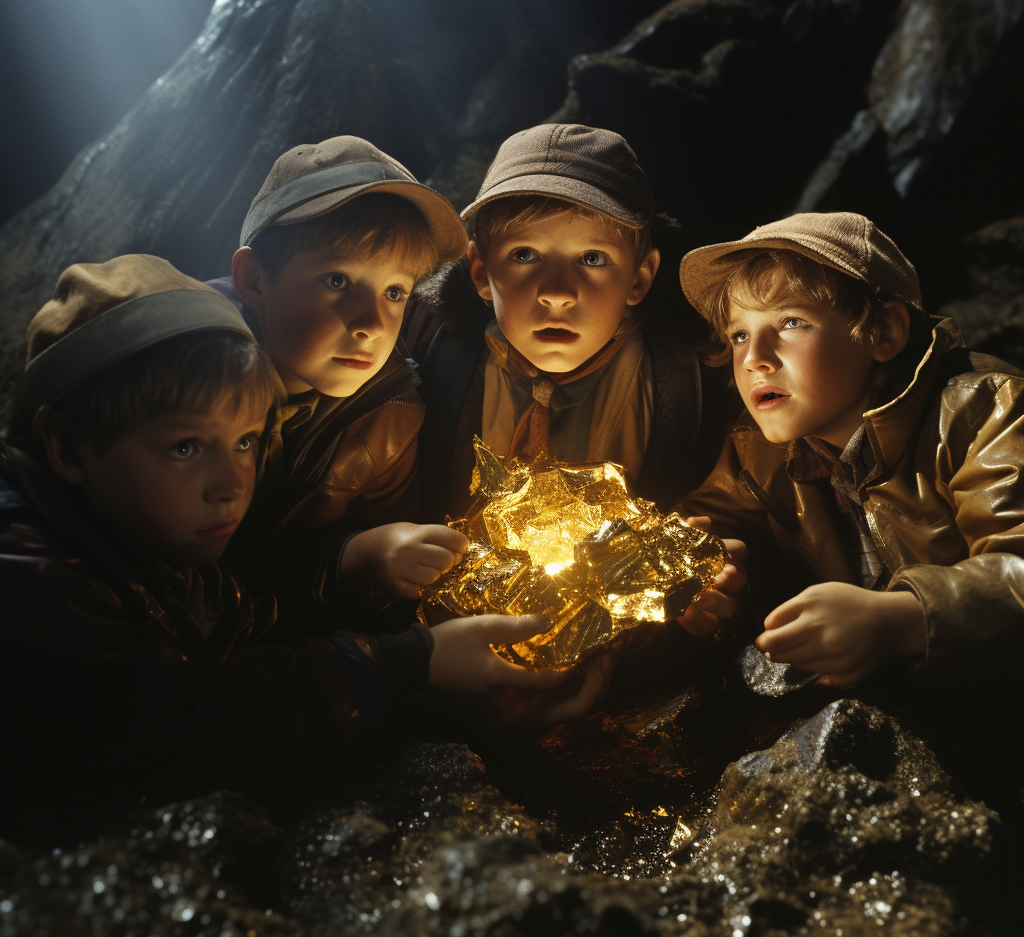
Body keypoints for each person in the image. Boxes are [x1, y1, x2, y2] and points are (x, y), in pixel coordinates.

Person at [0, 255, 602, 840]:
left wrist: (452, 704)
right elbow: (184, 723)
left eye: (245, 442)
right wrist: (408, 662)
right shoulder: (31, 578)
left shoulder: (158, 544)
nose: (231, 485)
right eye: (184, 447)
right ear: (68, 447)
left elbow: (258, 656)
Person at [676, 210, 1024, 686]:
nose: (754, 358)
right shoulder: (757, 451)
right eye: (739, 334)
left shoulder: (986, 410)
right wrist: (698, 571)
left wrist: (899, 620)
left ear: (883, 332)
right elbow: (713, 523)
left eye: (791, 321)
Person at [406, 123, 731, 527]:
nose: (558, 293)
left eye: (592, 258)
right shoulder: (422, 358)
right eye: (524, 255)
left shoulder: (702, 377)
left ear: (640, 278)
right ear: (479, 271)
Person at [209, 136, 473, 629]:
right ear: (254, 281)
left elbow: (377, 605)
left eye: (395, 291)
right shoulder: (184, 382)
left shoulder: (391, 415)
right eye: (337, 281)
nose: (371, 324)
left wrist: (362, 558)